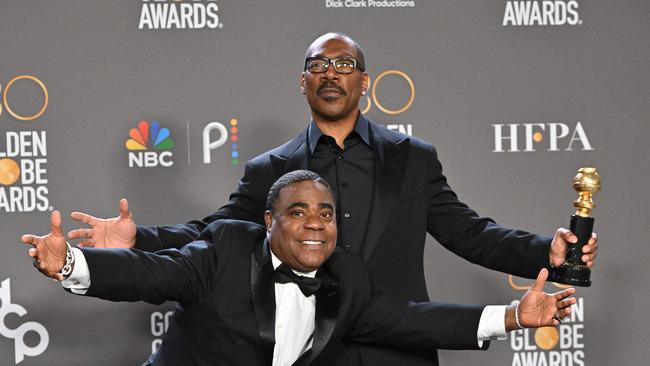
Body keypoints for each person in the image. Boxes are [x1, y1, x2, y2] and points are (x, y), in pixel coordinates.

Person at [66, 33, 597, 365]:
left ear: (364, 81)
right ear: (303, 83)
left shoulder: (412, 158)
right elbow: (217, 233)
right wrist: (141, 239)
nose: (331, 74)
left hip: (400, 339)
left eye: (344, 65)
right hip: (310, 349)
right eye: (319, 66)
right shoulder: (271, 170)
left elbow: (467, 231)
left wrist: (542, 255)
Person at [22, 171, 576, 366]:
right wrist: (72, 262)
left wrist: (512, 316)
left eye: (326, 214)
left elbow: (409, 319)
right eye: (298, 212)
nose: (315, 225)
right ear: (268, 221)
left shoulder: (347, 276)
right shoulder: (226, 250)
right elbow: (151, 274)